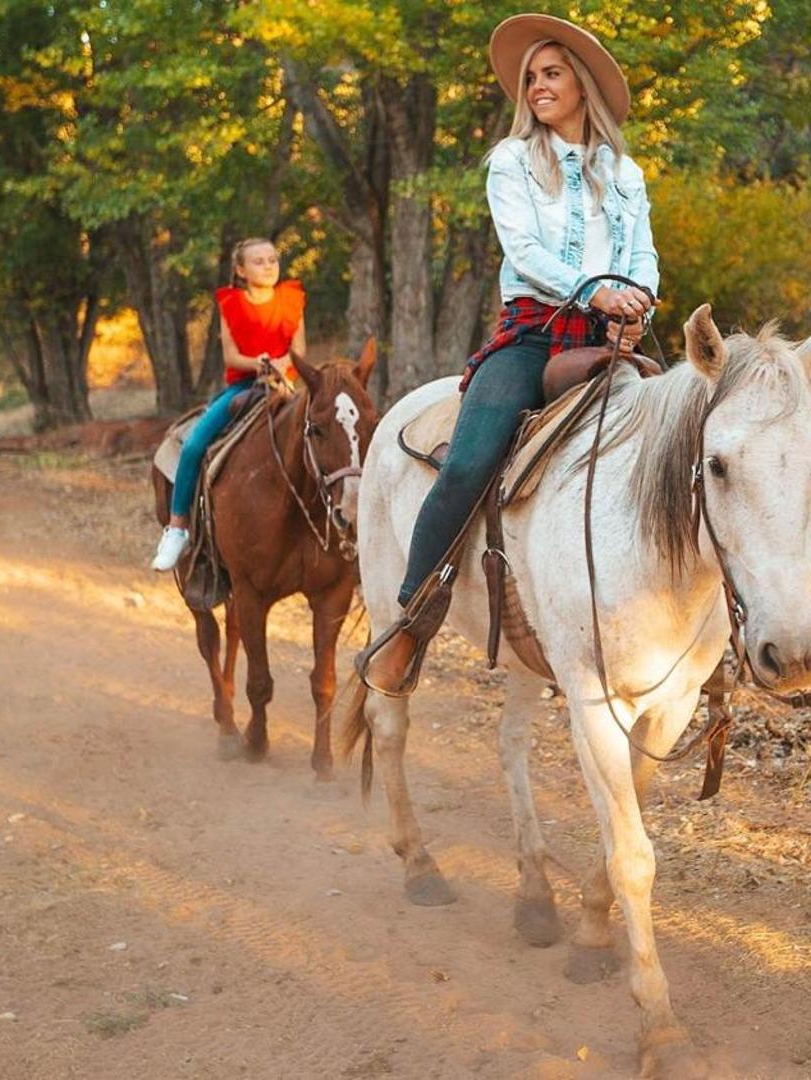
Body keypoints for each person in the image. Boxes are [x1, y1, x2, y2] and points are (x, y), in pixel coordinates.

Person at [364, 13, 659, 690]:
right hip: (535, 331)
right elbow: (522, 252)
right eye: (530, 78)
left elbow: (643, 253)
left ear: (583, 85)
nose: (536, 88)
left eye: (551, 74)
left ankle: (697, 622)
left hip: (613, 337)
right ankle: (410, 617)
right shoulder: (511, 161)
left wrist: (637, 300)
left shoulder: (624, 172)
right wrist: (594, 293)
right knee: (468, 463)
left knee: (684, 447)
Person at [150, 238, 308, 571]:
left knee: (322, 438)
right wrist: (261, 363)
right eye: (258, 261)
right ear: (240, 270)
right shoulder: (231, 303)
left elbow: (300, 351)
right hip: (244, 386)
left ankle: (333, 527)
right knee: (194, 445)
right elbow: (232, 355)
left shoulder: (292, 299)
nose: (268, 266)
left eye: (272, 259)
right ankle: (177, 527)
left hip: (285, 383)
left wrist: (282, 366)